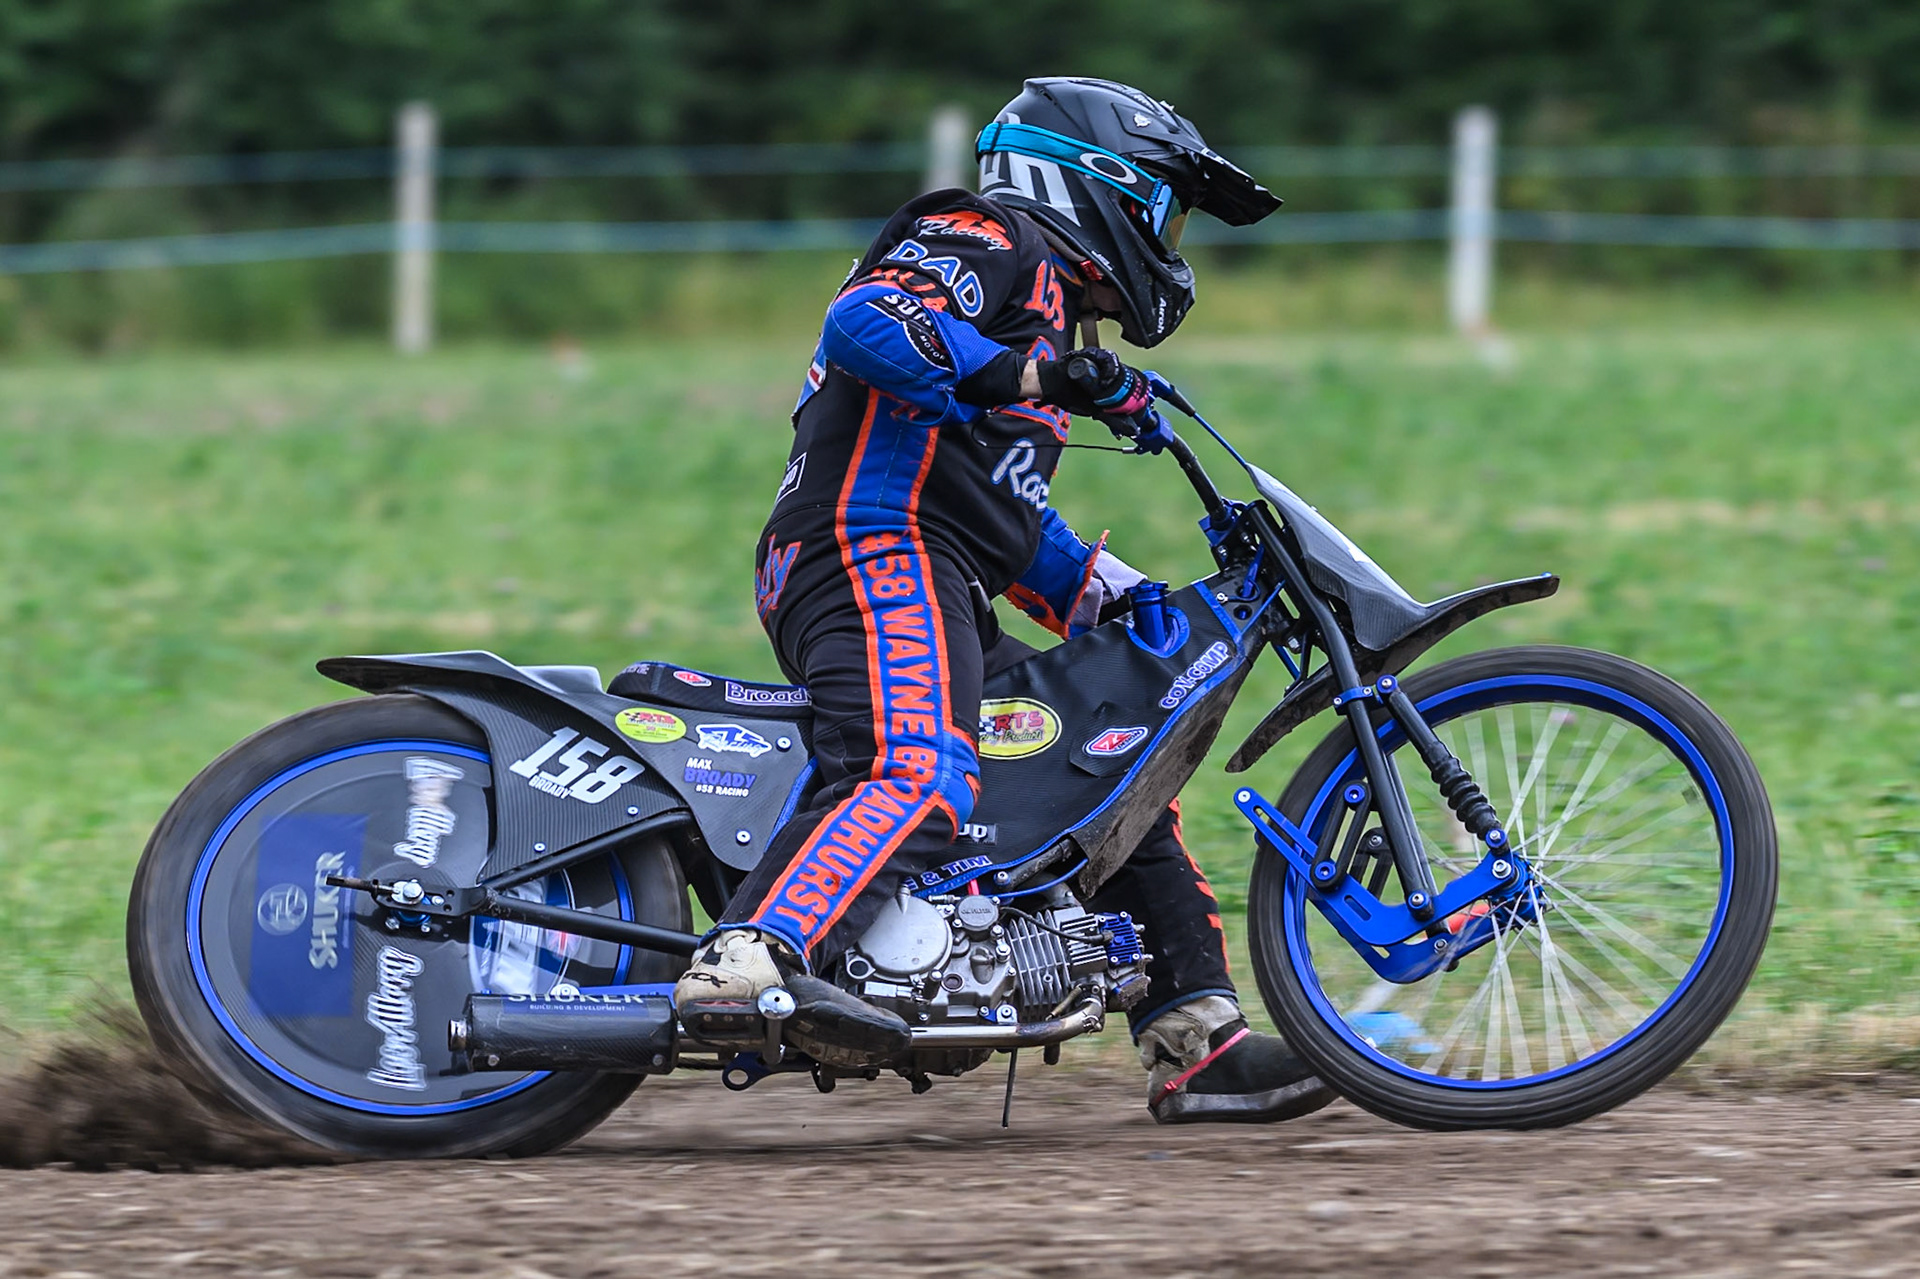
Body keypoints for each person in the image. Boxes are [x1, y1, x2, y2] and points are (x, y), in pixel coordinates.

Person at [675, 77, 1333, 1124]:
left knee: (1098, 764)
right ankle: (753, 952)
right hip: (868, 545)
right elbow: (867, 325)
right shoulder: (989, 235)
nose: (1170, 241)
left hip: (932, 561)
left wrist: (1117, 598)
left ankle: (1195, 1039)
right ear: (1099, 186)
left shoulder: (1045, 314)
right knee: (919, 766)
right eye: (1166, 208)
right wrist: (1042, 377)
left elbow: (1004, 521)